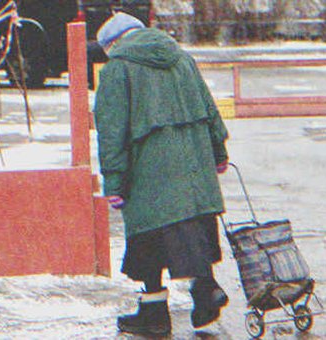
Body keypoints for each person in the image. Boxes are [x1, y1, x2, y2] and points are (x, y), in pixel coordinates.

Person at [93, 12, 231, 336]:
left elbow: (112, 130)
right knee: (193, 229)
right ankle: (206, 289)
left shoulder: (117, 69)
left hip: (148, 175)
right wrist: (219, 152)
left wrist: (114, 181)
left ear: (113, 45)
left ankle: (154, 313)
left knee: (147, 240)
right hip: (194, 167)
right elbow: (210, 109)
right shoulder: (182, 59)